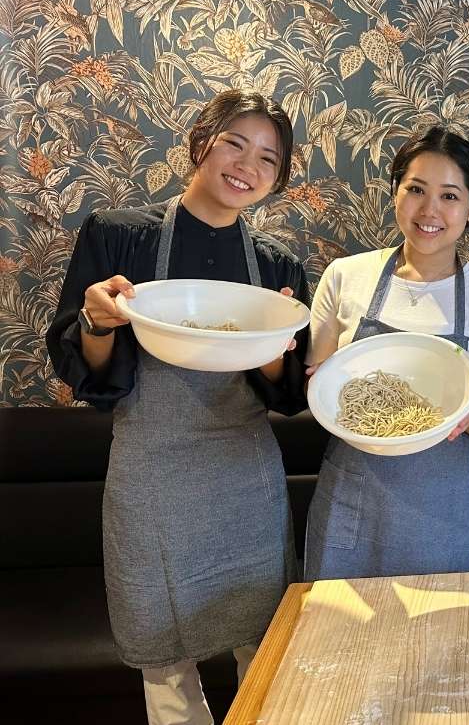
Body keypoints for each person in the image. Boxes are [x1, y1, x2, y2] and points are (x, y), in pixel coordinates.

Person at [46, 90, 309, 725]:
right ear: (200, 143)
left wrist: (270, 342)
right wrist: (98, 322)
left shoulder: (276, 266)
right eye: (234, 144)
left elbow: (288, 394)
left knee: (264, 642)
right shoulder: (119, 237)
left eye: (268, 159)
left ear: (276, 179)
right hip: (151, 469)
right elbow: (87, 374)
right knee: (162, 652)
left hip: (244, 474)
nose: (247, 166)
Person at [303, 126, 469, 579]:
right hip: (352, 494)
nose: (429, 210)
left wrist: (463, 414)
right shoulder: (345, 276)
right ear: (395, 192)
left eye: (449, 196)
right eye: (416, 189)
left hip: (440, 506)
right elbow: (317, 380)